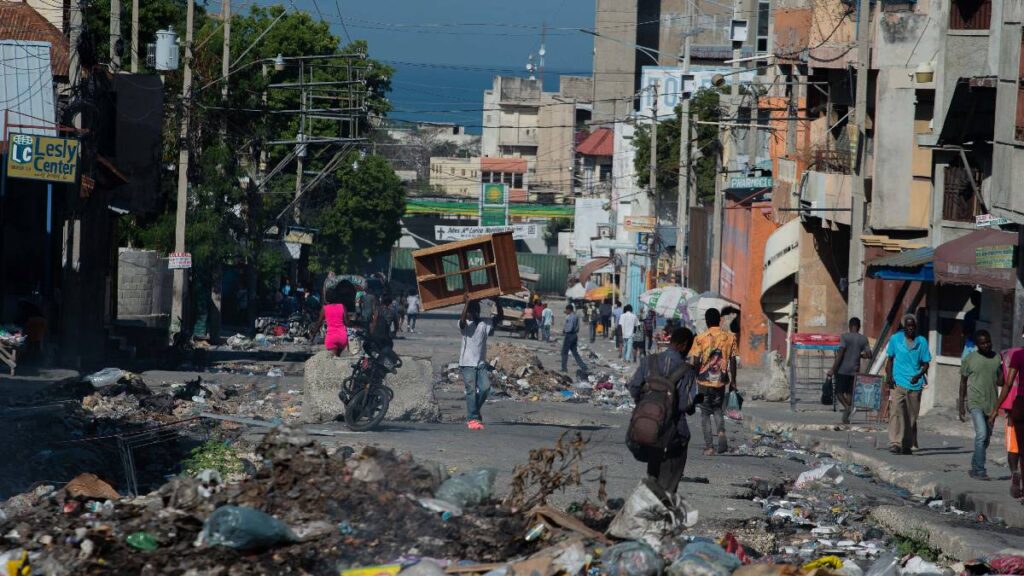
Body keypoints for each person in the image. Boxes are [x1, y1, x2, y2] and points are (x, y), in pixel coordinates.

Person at [627, 327, 699, 494]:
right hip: (673, 432)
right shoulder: (686, 371)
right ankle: (664, 500)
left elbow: (634, 387)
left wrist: (647, 403)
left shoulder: (649, 361)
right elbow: (684, 405)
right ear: (683, 345)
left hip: (646, 427)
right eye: (689, 347)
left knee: (653, 465)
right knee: (674, 462)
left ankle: (651, 490)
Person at [689, 308, 738, 456]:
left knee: (704, 413)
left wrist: (695, 375)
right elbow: (733, 360)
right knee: (717, 409)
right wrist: (733, 381)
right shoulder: (729, 338)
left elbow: (696, 360)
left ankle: (709, 447)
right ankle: (721, 432)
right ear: (719, 320)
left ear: (707, 321)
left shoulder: (700, 338)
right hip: (721, 381)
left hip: (704, 381)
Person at [885, 314, 932, 455]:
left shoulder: (921, 342)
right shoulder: (895, 339)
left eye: (913, 326)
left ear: (916, 327)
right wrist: (889, 376)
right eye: (908, 326)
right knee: (896, 412)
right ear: (904, 327)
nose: (910, 329)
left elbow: (926, 363)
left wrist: (918, 375)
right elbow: (890, 359)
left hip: (915, 385)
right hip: (898, 382)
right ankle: (895, 443)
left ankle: (906, 444)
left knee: (911, 416)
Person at [959, 330, 1002, 480]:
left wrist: (1003, 370)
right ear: (977, 345)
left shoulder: (997, 358)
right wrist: (961, 405)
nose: (986, 345)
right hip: (975, 402)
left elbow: (1000, 381)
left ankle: (974, 463)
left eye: (988, 342)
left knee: (986, 439)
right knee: (981, 434)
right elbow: (963, 382)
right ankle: (980, 469)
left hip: (991, 404)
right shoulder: (970, 358)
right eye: (982, 343)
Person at [459, 295, 503, 430]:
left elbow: (500, 318)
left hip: (481, 363)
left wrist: (497, 302)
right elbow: (461, 321)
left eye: (475, 312)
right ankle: (472, 418)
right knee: (471, 391)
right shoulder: (464, 324)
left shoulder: (485, 323)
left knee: (485, 388)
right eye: (470, 313)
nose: (473, 315)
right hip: (467, 363)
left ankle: (474, 411)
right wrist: (466, 304)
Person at [993, 344, 1024, 497]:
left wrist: (995, 409)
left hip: (1015, 406)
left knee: (1014, 447)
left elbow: (1004, 382)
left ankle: (1014, 473)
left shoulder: (1011, 355)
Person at [827, 317, 871, 424]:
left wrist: (833, 369)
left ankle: (847, 407)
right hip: (855, 370)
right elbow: (869, 354)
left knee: (838, 392)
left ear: (850, 326)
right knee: (850, 393)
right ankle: (847, 417)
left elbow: (840, 353)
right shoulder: (863, 339)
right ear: (859, 327)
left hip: (842, 369)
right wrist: (860, 355)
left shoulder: (844, 337)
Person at [311, 284, 349, 357]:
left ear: (327, 297)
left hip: (331, 337)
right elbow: (347, 322)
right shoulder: (342, 306)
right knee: (338, 357)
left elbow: (319, 323)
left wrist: (313, 335)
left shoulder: (325, 308)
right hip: (342, 337)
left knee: (333, 360)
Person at [561, 304, 588, 374]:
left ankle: (564, 368)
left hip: (569, 335)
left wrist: (565, 330)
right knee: (575, 353)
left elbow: (569, 327)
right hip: (574, 335)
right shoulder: (575, 316)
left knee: (564, 352)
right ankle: (583, 366)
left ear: (569, 310)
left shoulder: (570, 317)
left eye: (566, 310)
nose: (566, 311)